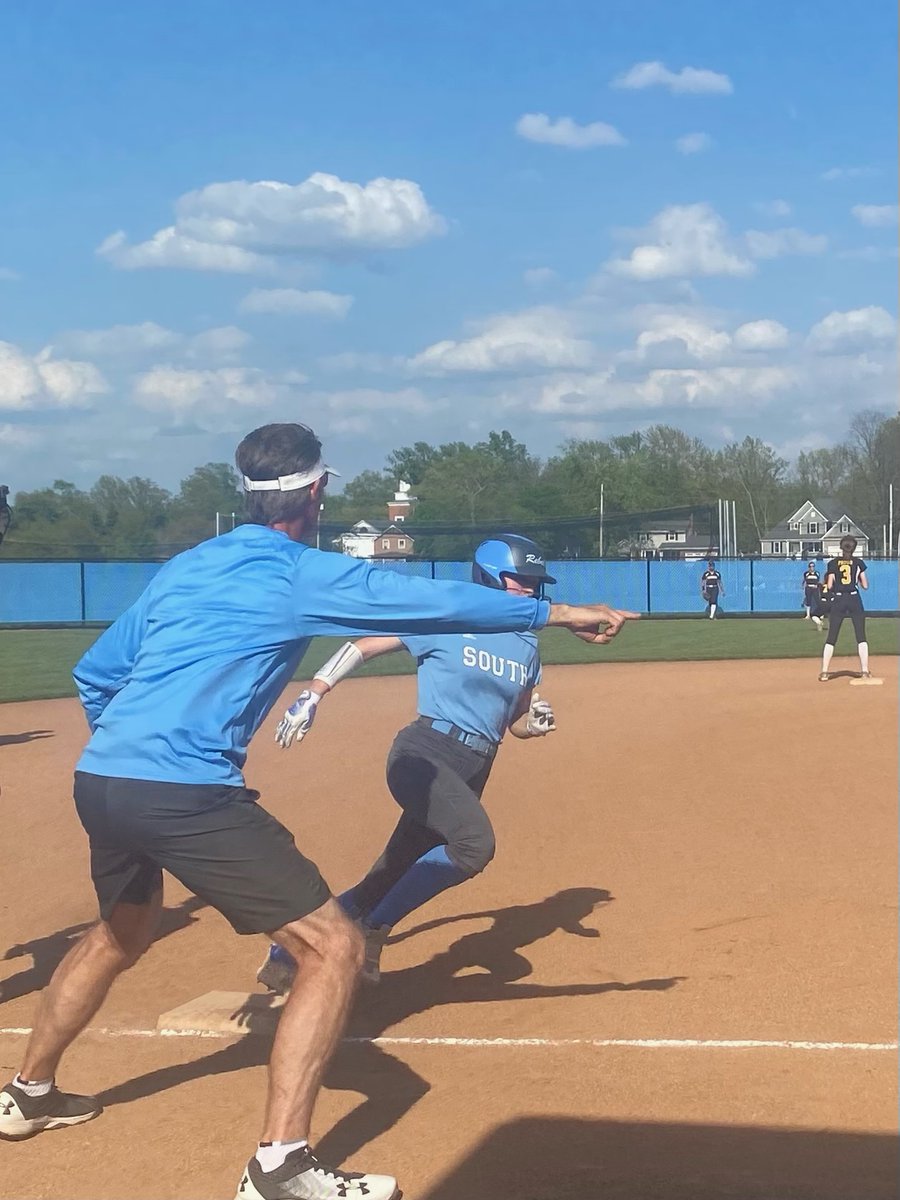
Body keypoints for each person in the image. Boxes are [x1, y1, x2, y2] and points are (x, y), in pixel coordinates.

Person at [0, 423, 638, 1200]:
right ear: (315, 492)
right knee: (332, 947)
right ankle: (281, 1167)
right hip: (186, 790)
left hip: (102, 777)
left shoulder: (185, 567)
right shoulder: (295, 572)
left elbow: (96, 673)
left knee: (119, 931)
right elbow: (425, 600)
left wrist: (132, 754)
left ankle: (28, 1093)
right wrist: (562, 615)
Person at [257, 534, 567, 995]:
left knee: (385, 877)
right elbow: (364, 646)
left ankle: (287, 951)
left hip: (474, 765)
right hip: (424, 754)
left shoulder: (526, 647)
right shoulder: (447, 618)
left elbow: (513, 721)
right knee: (473, 846)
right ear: (489, 577)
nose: (530, 589)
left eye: (534, 582)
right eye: (521, 579)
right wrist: (313, 693)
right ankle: (375, 931)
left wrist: (533, 725)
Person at [819, 536, 870, 682]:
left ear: (841, 547)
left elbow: (829, 585)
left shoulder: (833, 563)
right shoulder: (859, 563)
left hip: (839, 598)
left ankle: (824, 672)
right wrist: (857, 580)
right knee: (861, 635)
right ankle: (865, 671)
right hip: (854, 598)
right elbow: (865, 586)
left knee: (832, 636)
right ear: (854, 548)